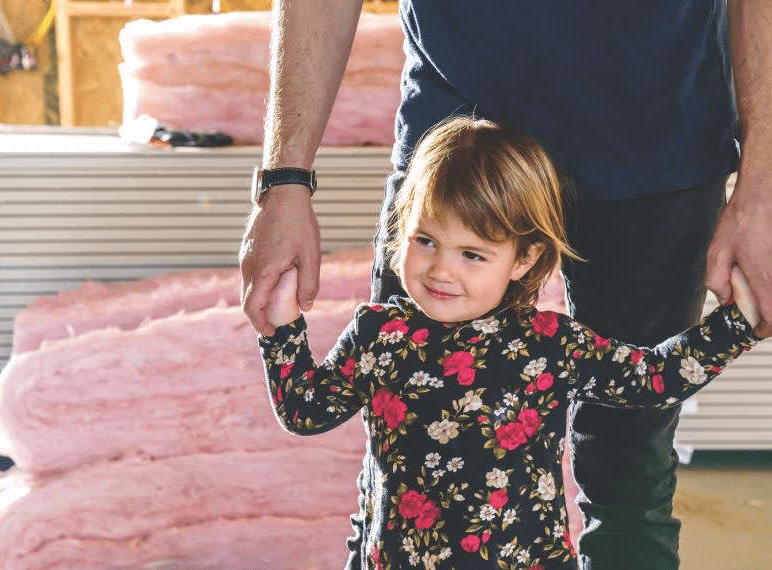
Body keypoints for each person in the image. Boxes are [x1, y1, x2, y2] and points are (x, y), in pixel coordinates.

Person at [240, 2, 772, 567]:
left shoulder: (551, 346)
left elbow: (652, 381)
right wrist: (281, 324)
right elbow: (306, 409)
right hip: (452, 134)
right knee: (375, 483)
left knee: (630, 476)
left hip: (657, 133)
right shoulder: (381, 336)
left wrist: (740, 320)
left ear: (525, 260)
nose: (442, 271)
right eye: (424, 243)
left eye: (472, 255)